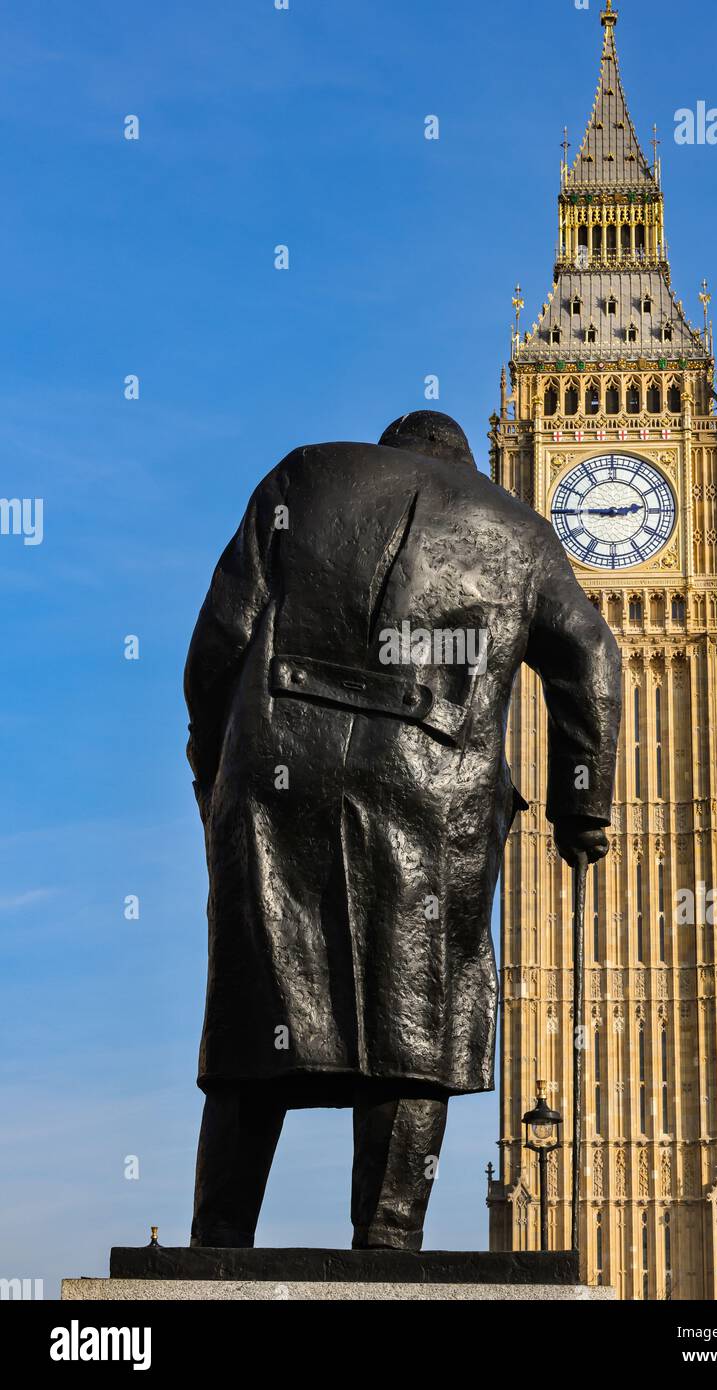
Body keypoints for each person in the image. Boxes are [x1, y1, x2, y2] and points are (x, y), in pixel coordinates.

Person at [184, 410, 621, 1250]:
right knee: (420, 1009)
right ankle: (387, 1242)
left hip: (279, 770)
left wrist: (215, 764)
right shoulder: (518, 530)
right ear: (468, 459)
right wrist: (580, 805)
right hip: (433, 789)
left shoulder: (303, 474)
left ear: (387, 452)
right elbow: (592, 661)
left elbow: (220, 639)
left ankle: (219, 1237)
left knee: (260, 997)